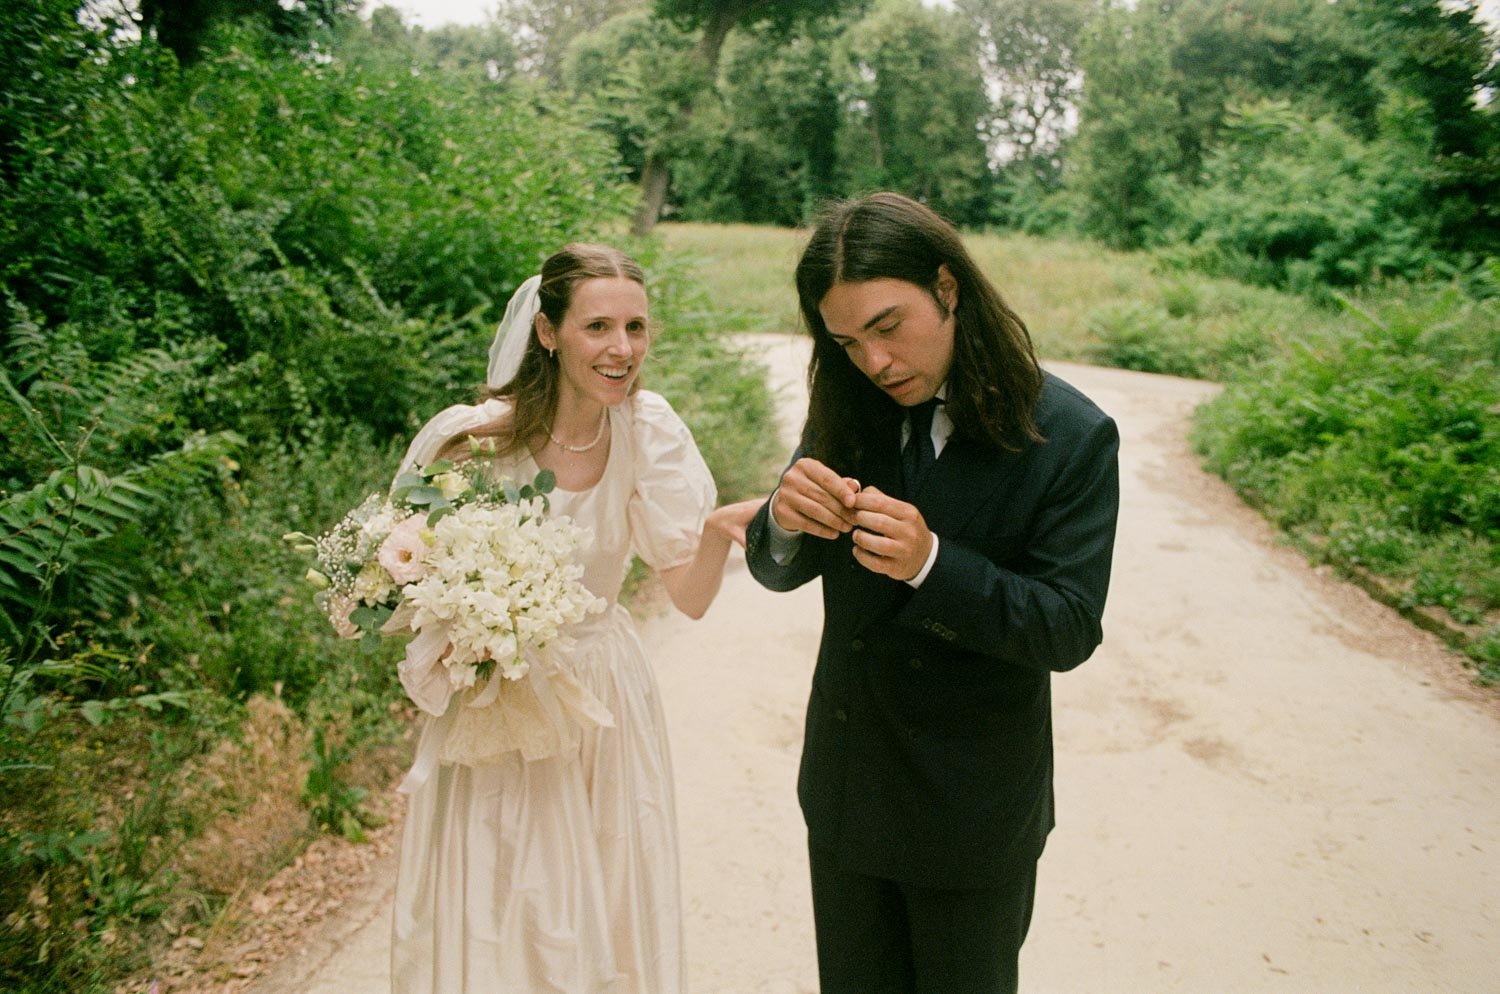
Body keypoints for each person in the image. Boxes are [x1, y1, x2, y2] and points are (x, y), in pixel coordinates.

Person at [744, 193, 1120, 994]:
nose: (875, 362)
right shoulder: (849, 402)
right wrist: (781, 519)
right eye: (847, 341)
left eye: (889, 326)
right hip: (846, 792)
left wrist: (933, 564)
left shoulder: (1071, 434)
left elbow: (1068, 627)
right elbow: (779, 567)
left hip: (970, 817)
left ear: (949, 288)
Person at [389, 243, 762, 994]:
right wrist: (476, 625)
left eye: (636, 327)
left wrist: (720, 531)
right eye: (598, 327)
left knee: (607, 900)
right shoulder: (471, 440)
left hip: (603, 702)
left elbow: (686, 598)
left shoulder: (646, 431)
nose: (621, 349)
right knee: (501, 896)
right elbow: (395, 576)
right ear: (550, 333)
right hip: (499, 697)